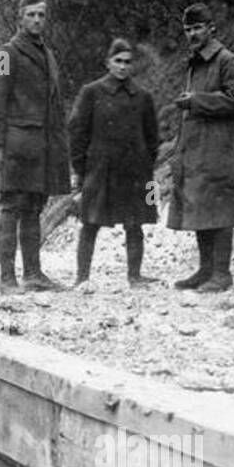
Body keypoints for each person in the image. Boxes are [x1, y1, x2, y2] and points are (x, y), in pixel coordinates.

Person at [0, 0, 71, 294]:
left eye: (41, 15)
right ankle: (7, 278)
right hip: (17, 145)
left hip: (41, 145)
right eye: (30, 14)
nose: (36, 20)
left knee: (34, 206)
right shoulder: (6, 54)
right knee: (11, 206)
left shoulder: (46, 53)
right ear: (19, 18)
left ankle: (33, 274)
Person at [168, 3, 234, 292]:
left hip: (220, 150)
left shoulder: (228, 61)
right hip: (198, 149)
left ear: (211, 28)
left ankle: (222, 274)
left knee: (221, 209)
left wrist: (197, 101)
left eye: (198, 28)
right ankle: (205, 270)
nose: (192, 34)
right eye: (188, 29)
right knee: (202, 207)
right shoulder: (195, 63)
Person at [68, 38, 161, 285]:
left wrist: (144, 165)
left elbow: (153, 138)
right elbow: (77, 132)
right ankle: (82, 278)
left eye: (127, 62)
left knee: (135, 223)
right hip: (100, 170)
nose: (122, 67)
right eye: (118, 61)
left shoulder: (143, 97)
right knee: (90, 222)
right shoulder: (91, 93)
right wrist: (81, 168)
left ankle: (135, 275)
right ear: (108, 63)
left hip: (134, 171)